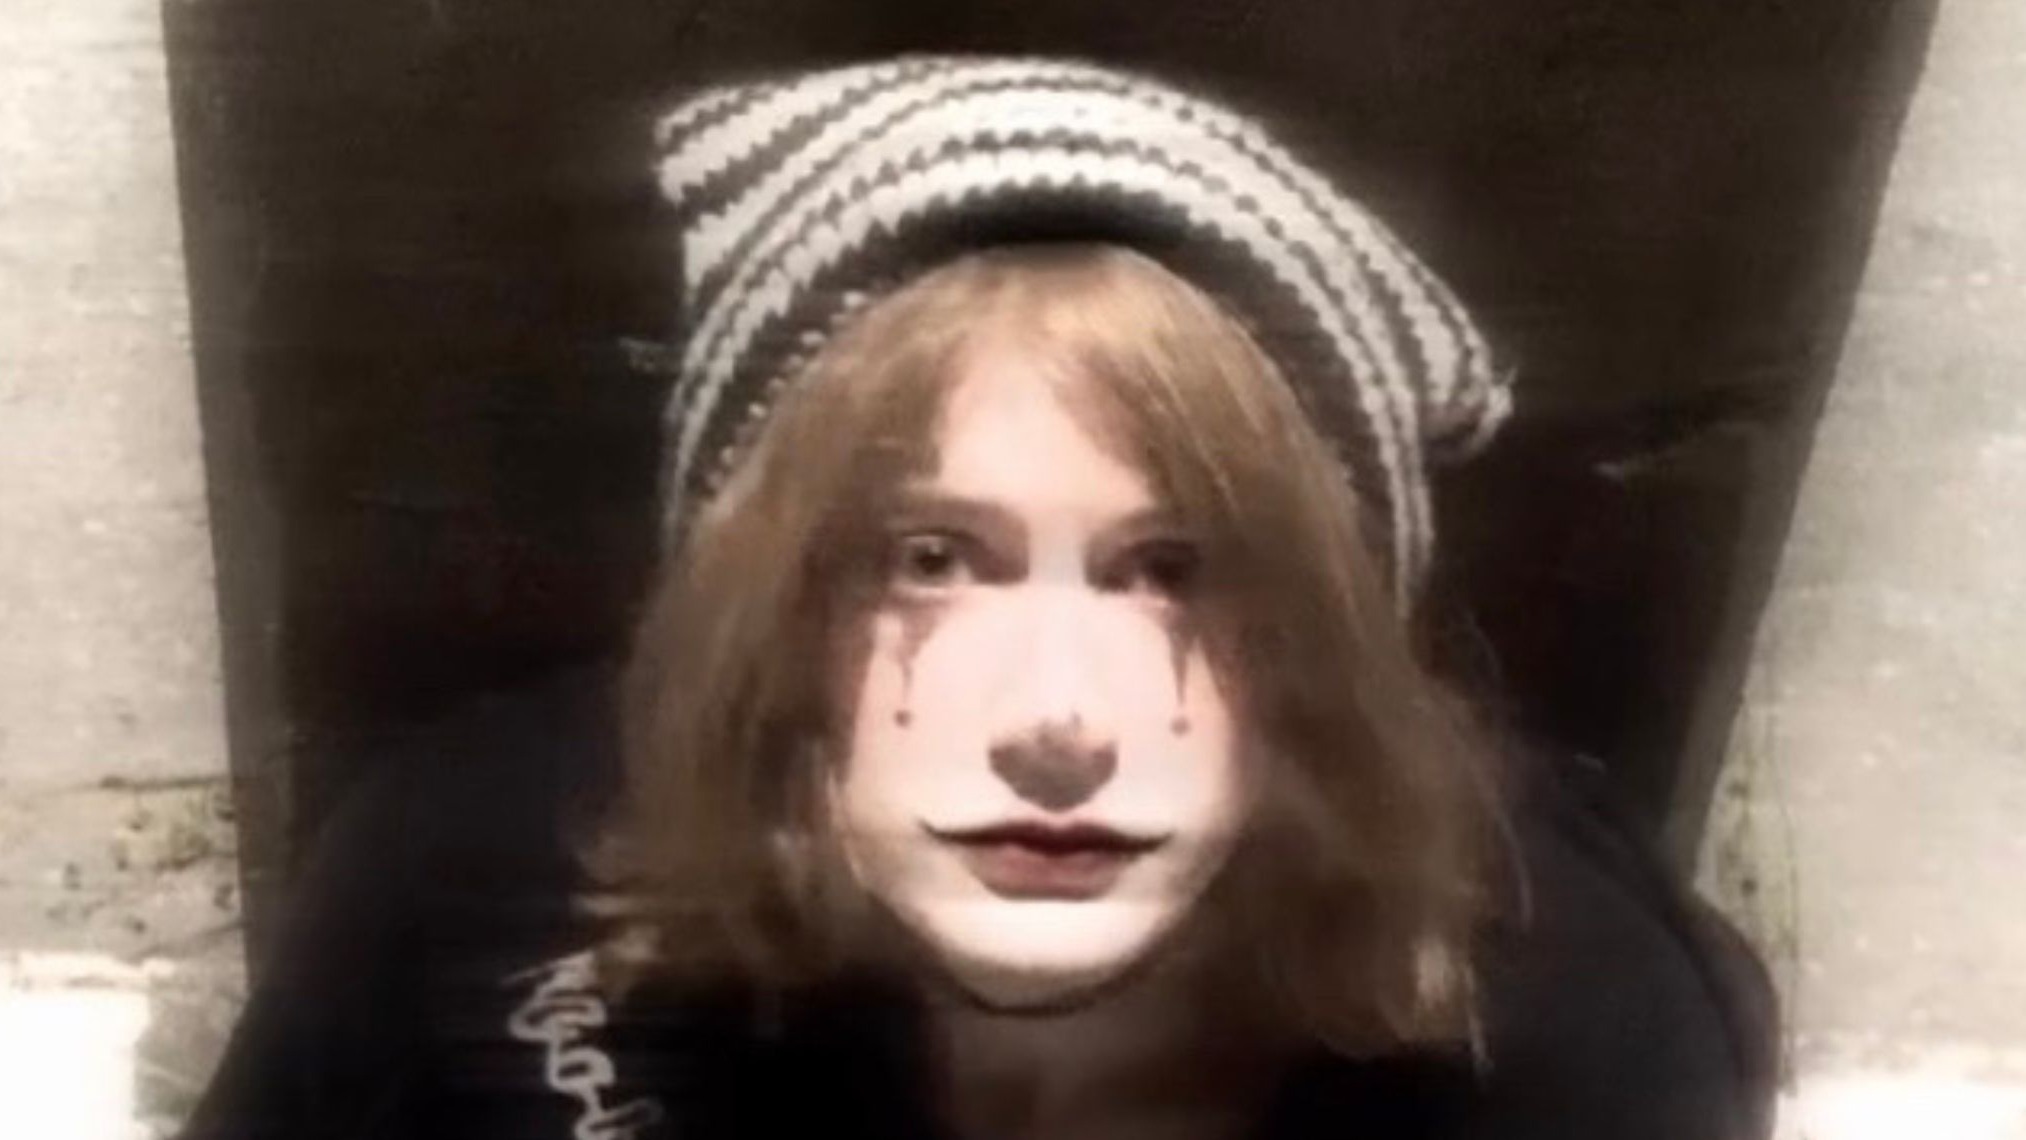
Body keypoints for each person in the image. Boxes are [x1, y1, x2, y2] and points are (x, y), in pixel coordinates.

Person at [181, 56, 1776, 1140]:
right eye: (925, 559)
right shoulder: (472, 883)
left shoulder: (1562, 1033)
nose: (1055, 723)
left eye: (1177, 572)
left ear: (1330, 649)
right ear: (759, 609)